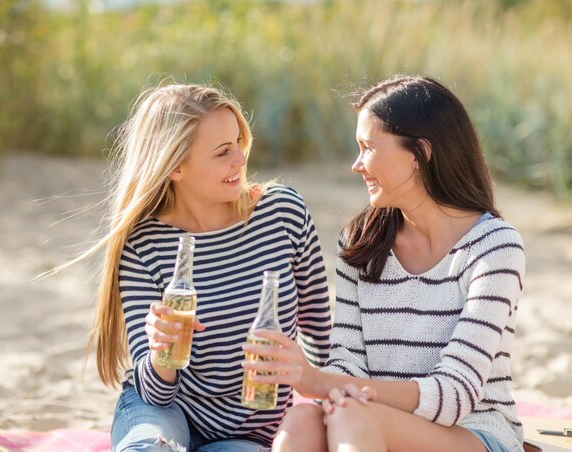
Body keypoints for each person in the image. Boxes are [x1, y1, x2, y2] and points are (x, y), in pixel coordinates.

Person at [241, 75, 525, 452]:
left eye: (367, 147)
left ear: (419, 153)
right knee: (302, 420)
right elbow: (346, 363)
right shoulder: (361, 242)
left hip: (474, 432)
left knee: (351, 415)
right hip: (368, 421)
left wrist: (319, 383)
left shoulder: (494, 246)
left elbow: (455, 395)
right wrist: (333, 388)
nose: (357, 165)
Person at [72, 83, 332, 451]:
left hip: (247, 430)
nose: (240, 160)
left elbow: (321, 338)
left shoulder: (282, 213)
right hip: (163, 410)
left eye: (239, 143)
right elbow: (156, 393)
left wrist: (329, 408)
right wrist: (163, 350)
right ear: (175, 166)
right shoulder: (144, 244)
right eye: (223, 152)